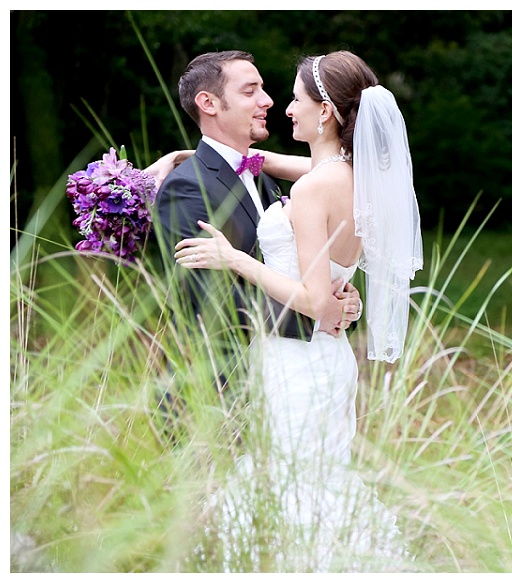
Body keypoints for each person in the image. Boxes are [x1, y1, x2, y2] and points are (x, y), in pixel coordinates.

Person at [172, 50, 422, 571]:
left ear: (325, 112)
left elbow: (310, 300)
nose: (283, 108)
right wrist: (182, 158)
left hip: (296, 364)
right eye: (258, 91)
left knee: (288, 484)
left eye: (294, 98)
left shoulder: (311, 189)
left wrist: (235, 257)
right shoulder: (356, 178)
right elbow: (322, 289)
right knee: (320, 481)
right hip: (330, 361)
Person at [150, 51, 362, 444]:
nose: (269, 101)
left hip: (287, 380)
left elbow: (295, 268)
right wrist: (319, 312)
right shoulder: (187, 186)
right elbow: (208, 303)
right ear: (208, 103)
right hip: (216, 399)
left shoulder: (270, 180)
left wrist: (339, 297)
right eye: (252, 91)